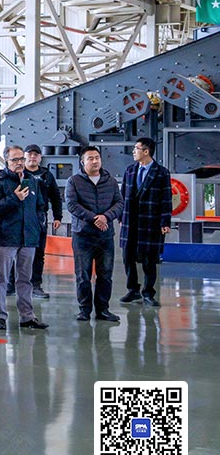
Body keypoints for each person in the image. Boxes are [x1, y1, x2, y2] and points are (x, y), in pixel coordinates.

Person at [0, 145, 48, 331]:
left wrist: (38, 224)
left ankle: (27, 317)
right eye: (15, 160)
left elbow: (40, 206)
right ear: (6, 161)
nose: (20, 163)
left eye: (22, 159)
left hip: (28, 238)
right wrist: (14, 198)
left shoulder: (32, 181)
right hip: (6, 238)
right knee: (1, 279)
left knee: (25, 279)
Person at [65, 146, 123, 323]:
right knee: (83, 275)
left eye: (97, 157)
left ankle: (103, 310)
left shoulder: (110, 181)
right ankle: (84, 310)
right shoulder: (74, 181)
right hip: (83, 235)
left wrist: (106, 217)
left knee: (105, 275)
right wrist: (94, 218)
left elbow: (119, 203)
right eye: (90, 158)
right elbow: (72, 205)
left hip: (105, 236)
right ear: (82, 162)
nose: (95, 161)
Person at [118, 137, 171, 307]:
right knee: (127, 257)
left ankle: (148, 292)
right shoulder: (130, 170)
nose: (133, 151)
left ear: (146, 151)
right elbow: (122, 196)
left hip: (150, 222)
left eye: (137, 148)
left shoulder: (161, 172)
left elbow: (166, 199)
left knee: (149, 259)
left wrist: (165, 222)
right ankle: (133, 290)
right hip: (130, 221)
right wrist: (121, 217)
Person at [22, 144, 62, 299]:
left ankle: (36, 285)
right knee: (16, 251)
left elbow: (55, 197)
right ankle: (12, 284)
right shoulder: (19, 173)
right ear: (24, 156)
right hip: (21, 217)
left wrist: (57, 217)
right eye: (30, 154)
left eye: (36, 154)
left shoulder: (46, 175)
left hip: (40, 218)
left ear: (40, 157)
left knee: (38, 253)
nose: (33, 157)